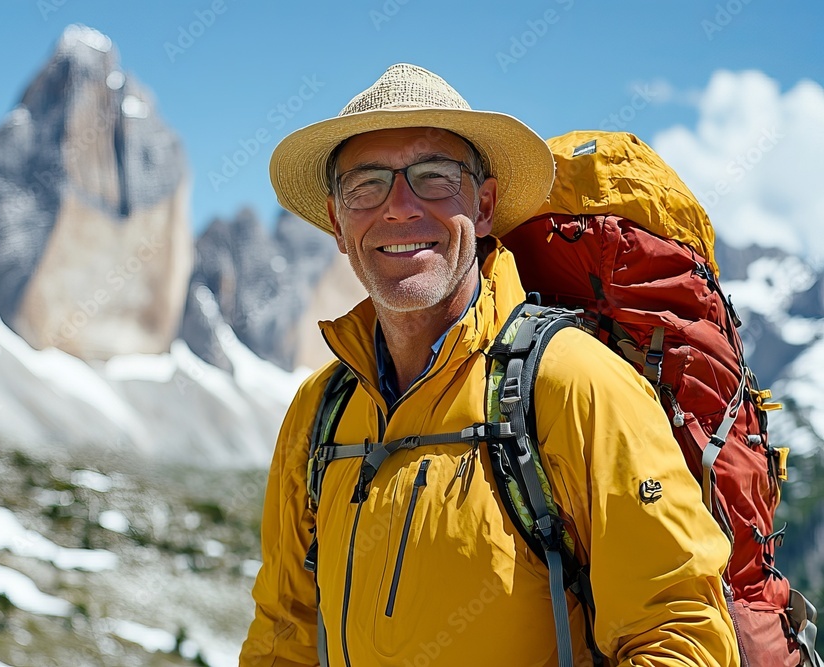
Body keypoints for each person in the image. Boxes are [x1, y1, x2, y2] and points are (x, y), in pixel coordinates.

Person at [239, 63, 740, 666]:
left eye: (433, 177)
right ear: (338, 224)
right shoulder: (319, 410)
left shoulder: (574, 383)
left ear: (483, 206)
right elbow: (283, 638)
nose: (399, 208)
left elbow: (680, 635)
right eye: (366, 185)